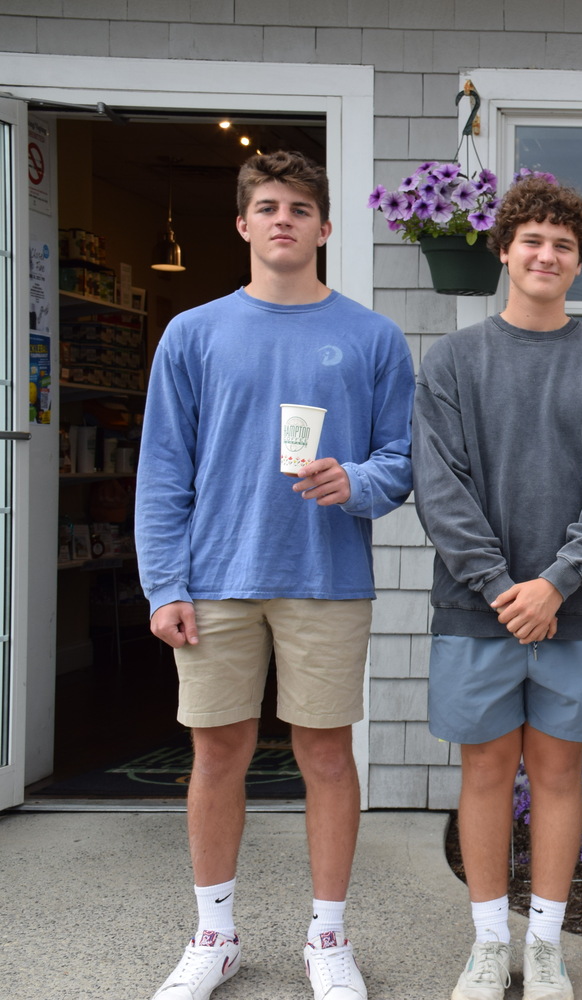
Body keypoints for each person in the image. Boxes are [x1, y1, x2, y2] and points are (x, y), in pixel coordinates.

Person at [135, 150, 415, 1000]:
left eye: (300, 206)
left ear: (325, 227)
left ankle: (327, 937)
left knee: (325, 754)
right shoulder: (194, 332)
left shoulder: (372, 336)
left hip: (326, 575)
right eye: (268, 205)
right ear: (243, 224)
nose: (283, 218)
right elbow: (162, 470)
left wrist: (354, 482)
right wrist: (164, 583)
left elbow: (401, 461)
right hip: (215, 574)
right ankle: (214, 935)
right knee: (217, 752)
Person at [412, 173, 582, 1000]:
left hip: (576, 612)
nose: (546, 255)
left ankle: (544, 944)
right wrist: (500, 587)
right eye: (533, 241)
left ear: (579, 263)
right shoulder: (452, 363)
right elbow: (439, 488)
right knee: (483, 775)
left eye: (563, 245)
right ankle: (488, 944)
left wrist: (551, 585)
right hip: (474, 611)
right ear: (504, 250)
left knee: (557, 776)